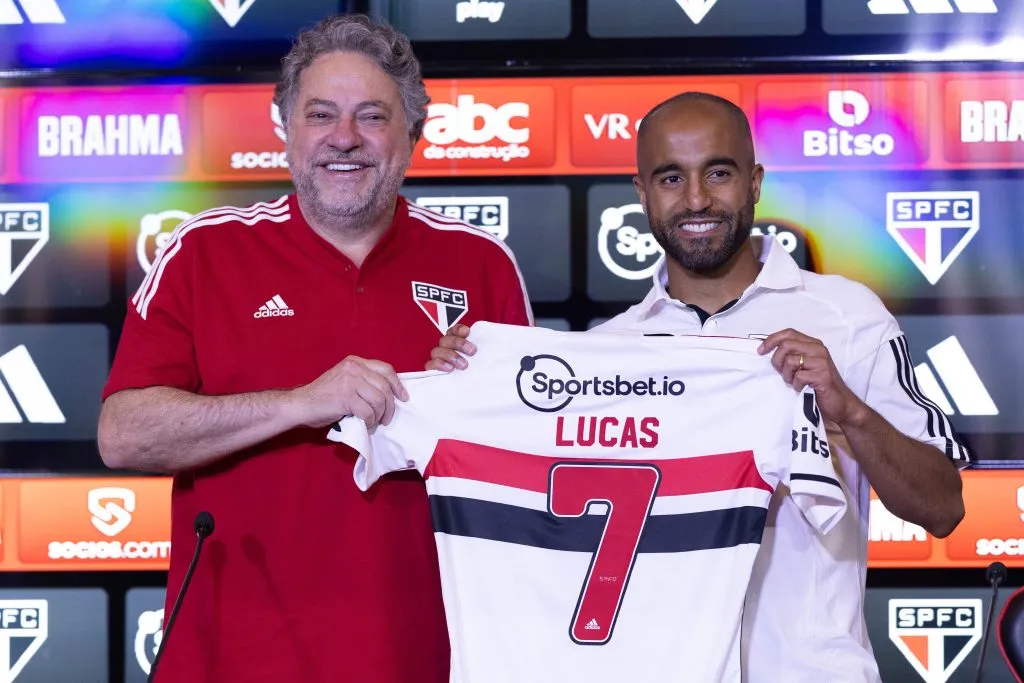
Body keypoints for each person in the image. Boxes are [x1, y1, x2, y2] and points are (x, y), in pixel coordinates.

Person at [427, 91, 968, 682]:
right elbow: (545, 519)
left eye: (718, 172)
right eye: (670, 178)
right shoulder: (606, 354)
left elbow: (941, 509)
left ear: (755, 181)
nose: (696, 200)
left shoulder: (846, 315)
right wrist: (467, 384)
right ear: (641, 194)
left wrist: (852, 413)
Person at [97, 14, 531, 683]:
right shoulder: (203, 252)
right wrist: (303, 402)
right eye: (321, 113)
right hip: (232, 662)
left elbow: (534, 471)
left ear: (413, 133)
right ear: (285, 129)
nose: (345, 138)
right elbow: (124, 435)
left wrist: (473, 398)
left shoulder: (482, 265)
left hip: (428, 660)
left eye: (372, 116)